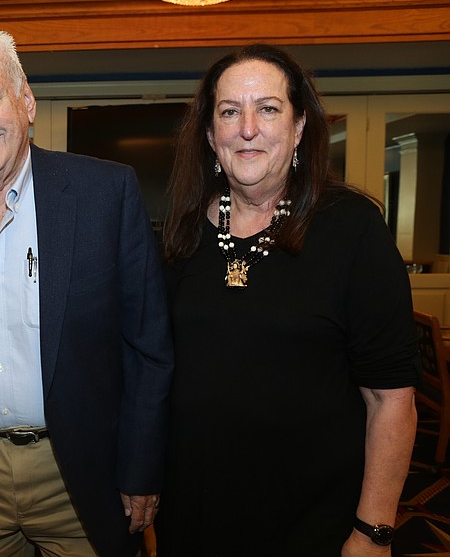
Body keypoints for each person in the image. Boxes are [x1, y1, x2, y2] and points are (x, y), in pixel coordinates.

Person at [0, 30, 174, 557]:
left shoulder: (105, 194)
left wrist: (141, 466)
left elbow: (148, 348)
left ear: (27, 102)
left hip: (80, 469)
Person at [155, 43, 420, 556]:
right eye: (229, 112)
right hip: (194, 515)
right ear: (210, 134)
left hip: (311, 521)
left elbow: (391, 399)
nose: (247, 128)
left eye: (268, 108)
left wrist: (373, 531)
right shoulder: (180, 233)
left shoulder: (352, 229)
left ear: (299, 127)